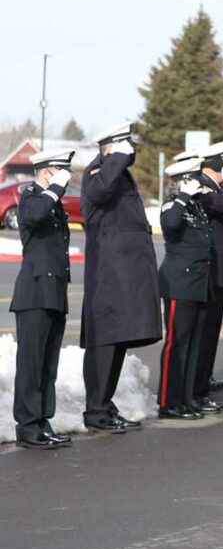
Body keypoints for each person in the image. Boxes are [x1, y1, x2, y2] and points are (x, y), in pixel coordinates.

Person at [81, 122, 161, 434]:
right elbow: (100, 194)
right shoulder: (98, 170)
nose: (132, 149)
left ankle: (104, 404)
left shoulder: (117, 172)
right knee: (105, 340)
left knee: (117, 341)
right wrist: (115, 158)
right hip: (108, 272)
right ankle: (96, 410)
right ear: (111, 146)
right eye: (125, 144)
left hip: (122, 271)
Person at [11, 149, 75, 449]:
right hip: (34, 293)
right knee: (31, 363)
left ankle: (42, 421)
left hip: (54, 292)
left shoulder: (52, 200)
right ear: (46, 170)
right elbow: (33, 216)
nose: (66, 175)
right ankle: (27, 426)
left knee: (48, 364)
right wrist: (54, 188)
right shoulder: (31, 196)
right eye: (60, 169)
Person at [157, 158, 216, 420]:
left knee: (193, 345)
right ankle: (169, 402)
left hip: (198, 284)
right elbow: (169, 224)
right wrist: (183, 196)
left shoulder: (196, 206)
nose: (197, 183)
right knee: (176, 344)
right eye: (193, 178)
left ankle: (186, 397)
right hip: (179, 283)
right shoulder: (174, 203)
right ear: (182, 180)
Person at [193, 140, 223, 407]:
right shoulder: (201, 186)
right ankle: (197, 387)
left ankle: (204, 379)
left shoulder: (214, 187)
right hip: (209, 272)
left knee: (212, 331)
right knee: (205, 332)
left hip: (219, 271)